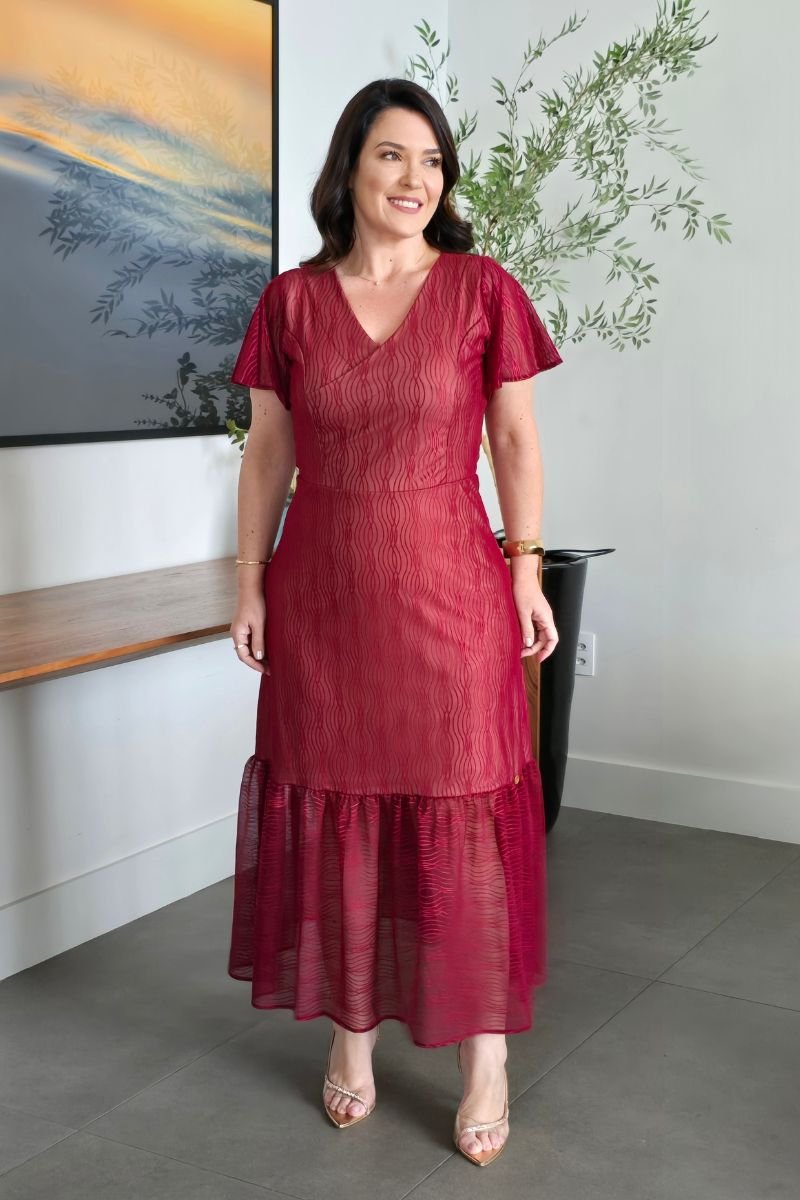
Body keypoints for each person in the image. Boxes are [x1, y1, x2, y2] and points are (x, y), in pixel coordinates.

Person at [226, 77, 563, 1168]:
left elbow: (514, 442)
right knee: (338, 812)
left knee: (462, 811)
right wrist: (248, 582)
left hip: (451, 597)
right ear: (350, 168)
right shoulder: (290, 303)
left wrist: (525, 571)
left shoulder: (478, 289)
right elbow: (266, 454)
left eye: (431, 160)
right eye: (391, 155)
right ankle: (352, 1032)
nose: (415, 178)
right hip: (324, 600)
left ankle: (484, 1057)